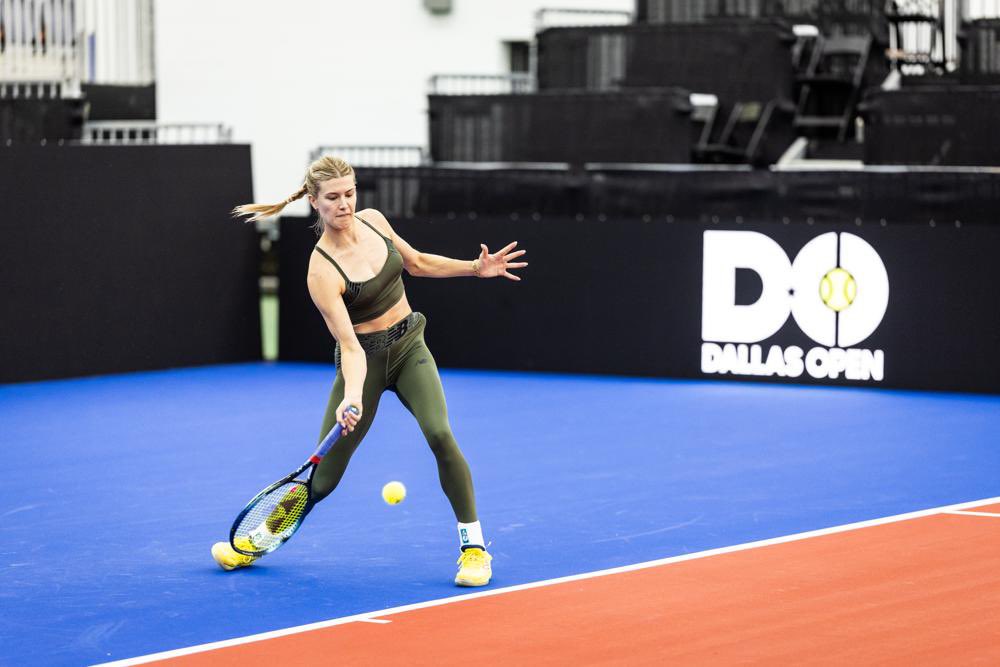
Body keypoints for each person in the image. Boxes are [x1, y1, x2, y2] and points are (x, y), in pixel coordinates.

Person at [211, 156, 527, 586]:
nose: (344, 204)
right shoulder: (320, 271)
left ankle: (474, 549)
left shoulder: (375, 221)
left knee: (439, 433)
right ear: (313, 202)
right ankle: (260, 538)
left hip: (409, 346)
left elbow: (416, 263)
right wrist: (354, 396)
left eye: (349, 194)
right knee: (321, 480)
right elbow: (350, 345)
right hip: (366, 361)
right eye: (333, 198)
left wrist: (475, 268)